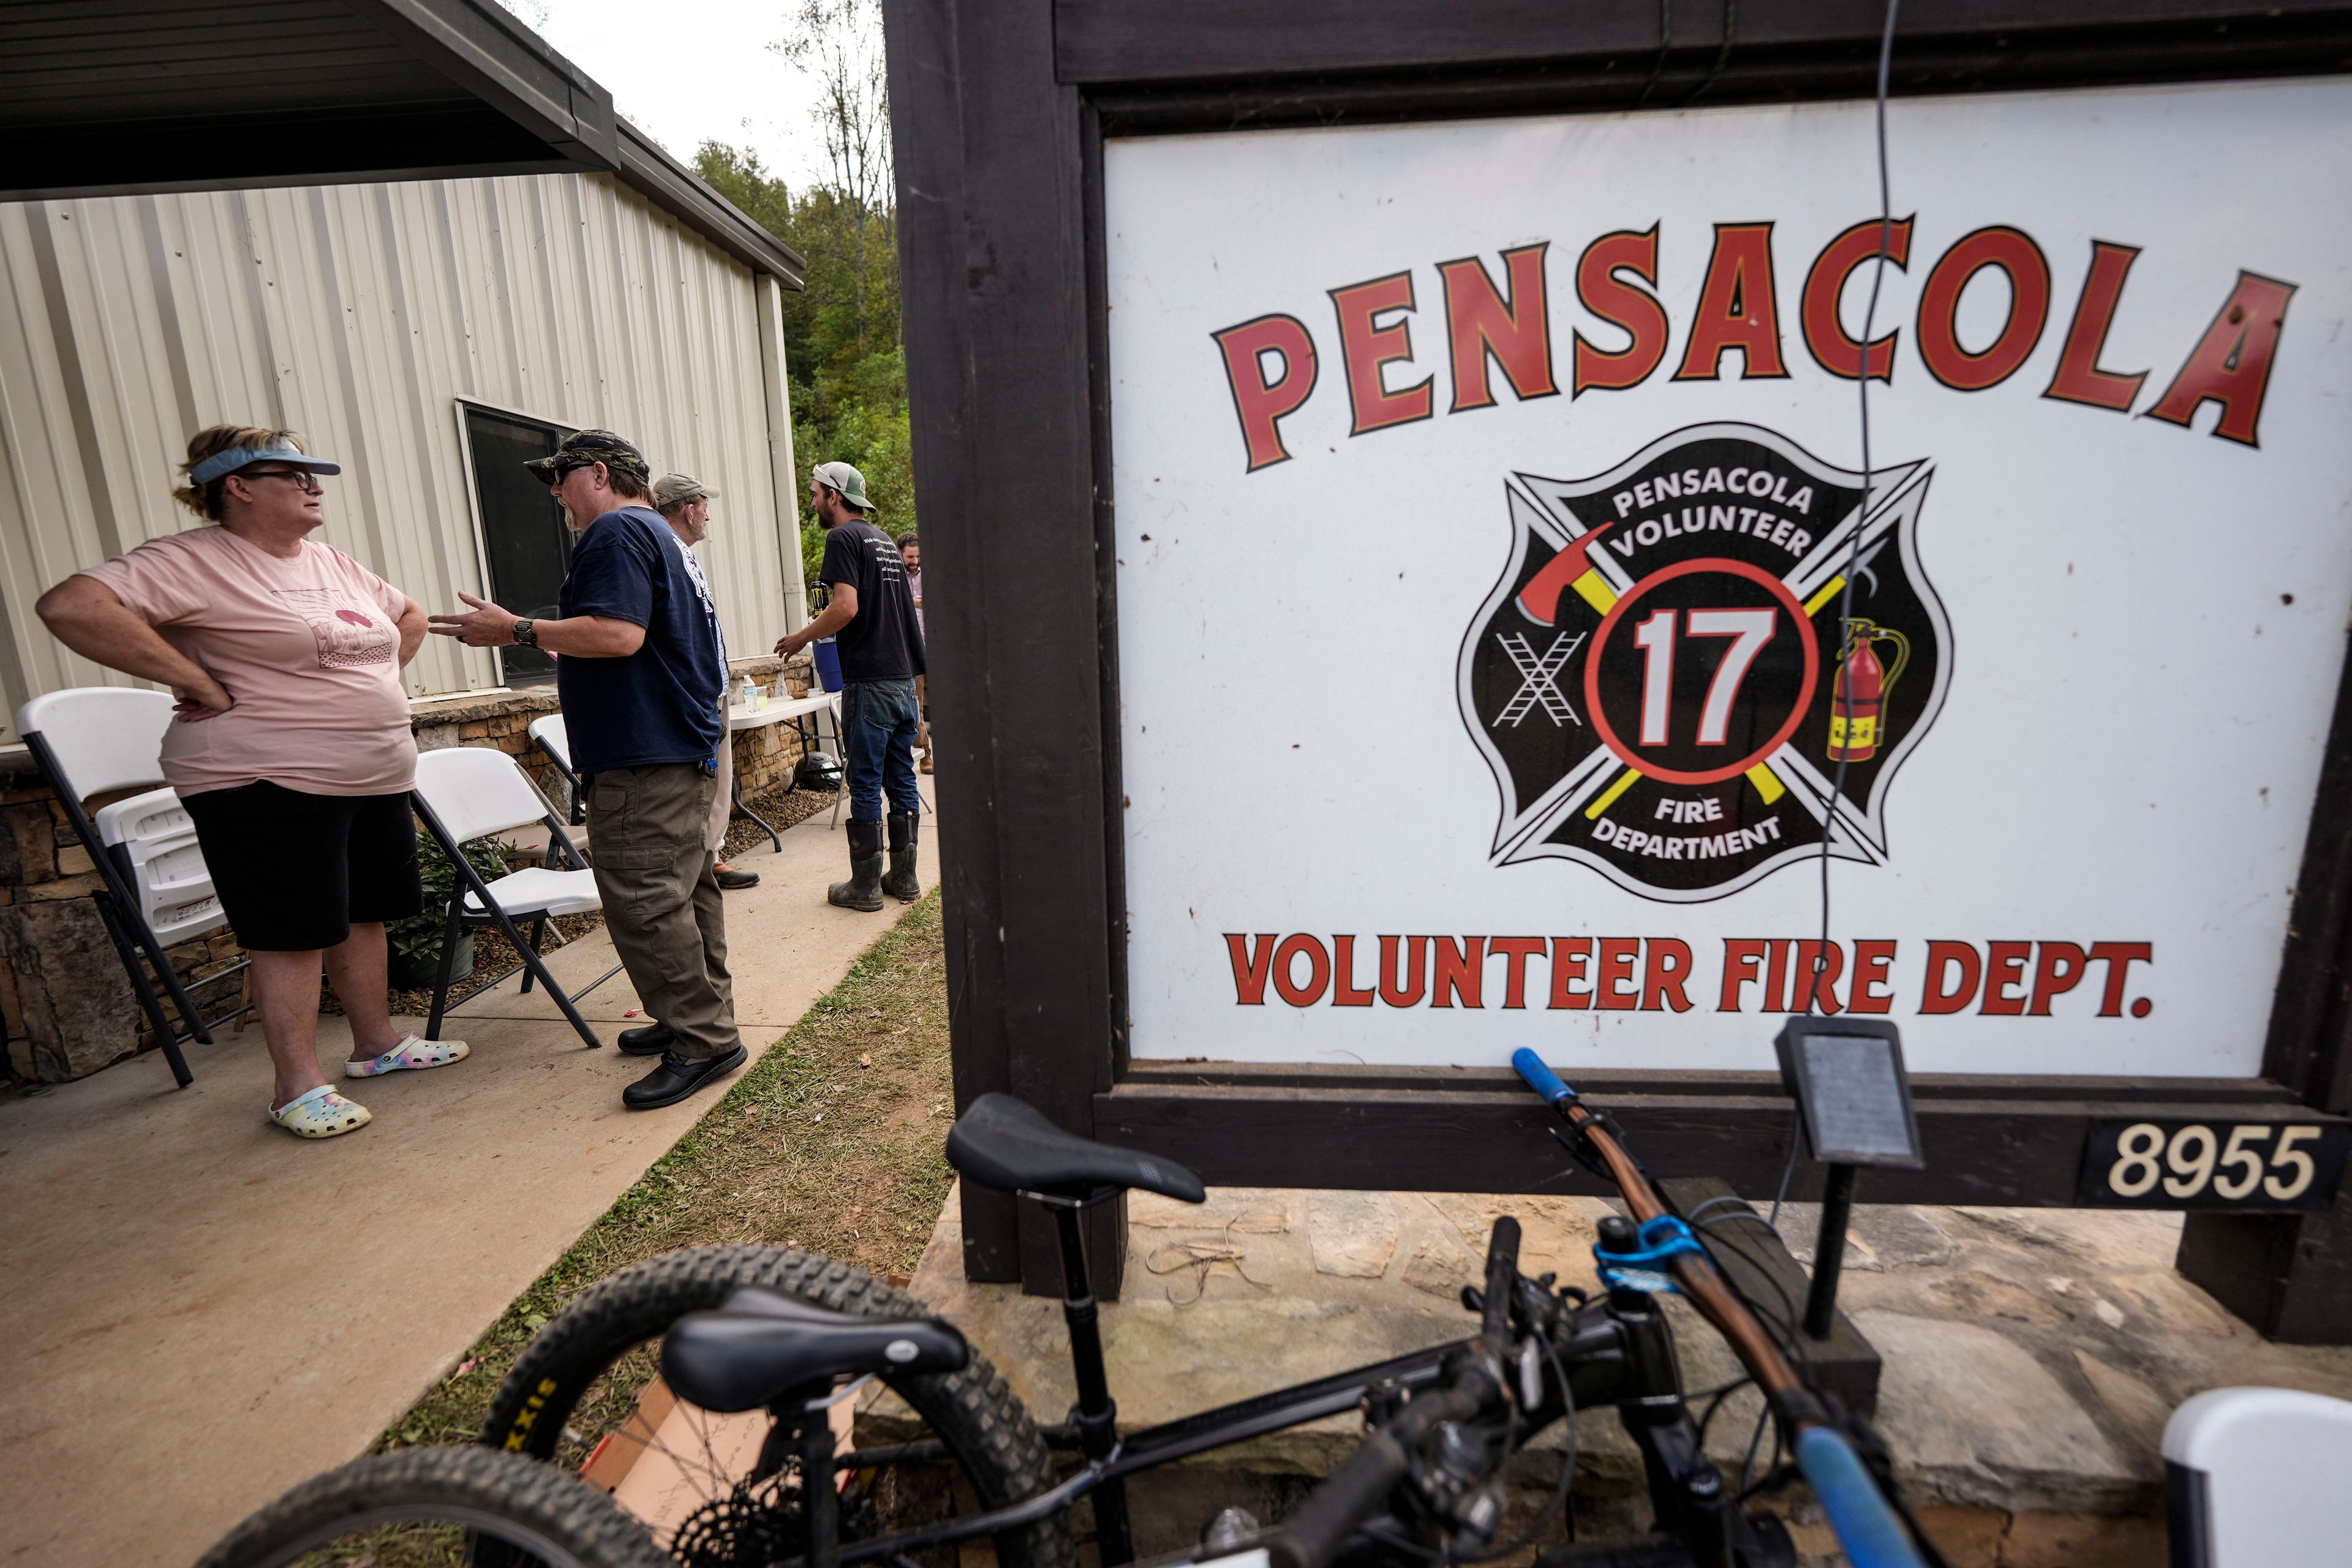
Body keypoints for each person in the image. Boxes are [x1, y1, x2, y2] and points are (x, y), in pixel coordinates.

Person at [33, 425, 455, 1140]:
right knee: (288, 932)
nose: (315, 486)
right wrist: (194, 679)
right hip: (265, 778)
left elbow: (407, 614)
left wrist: (375, 683)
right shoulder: (193, 561)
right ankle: (296, 1086)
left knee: (364, 912)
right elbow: (71, 606)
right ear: (238, 484)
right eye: (295, 474)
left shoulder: (331, 562)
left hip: (370, 774)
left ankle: (377, 1045)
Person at [429, 430, 744, 1110]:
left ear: (600, 474)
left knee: (646, 902)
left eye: (561, 475)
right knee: (687, 893)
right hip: (681, 748)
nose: (554, 492)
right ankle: (695, 1018)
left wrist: (515, 630)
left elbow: (617, 634)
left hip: (643, 757)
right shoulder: (663, 538)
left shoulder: (613, 536)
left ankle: (705, 1040)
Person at [775, 462, 924, 911]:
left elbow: (845, 607)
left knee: (863, 781)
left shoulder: (842, 538)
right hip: (902, 681)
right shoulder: (883, 540)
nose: (814, 501)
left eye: (818, 493)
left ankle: (864, 888)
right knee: (900, 777)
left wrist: (801, 637)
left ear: (835, 497)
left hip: (871, 681)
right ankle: (905, 879)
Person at [653, 472, 758, 892]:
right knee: (704, 785)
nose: (708, 516)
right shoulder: (665, 551)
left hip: (710, 691)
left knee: (720, 783)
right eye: (704, 506)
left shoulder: (683, 553)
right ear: (687, 509)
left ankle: (711, 855)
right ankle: (703, 861)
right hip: (692, 698)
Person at [897, 530, 932, 776]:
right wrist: (913, 603)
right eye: (910, 556)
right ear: (901, 554)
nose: (915, 561)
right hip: (911, 649)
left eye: (918, 556)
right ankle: (926, 756)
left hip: (937, 648)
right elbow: (892, 606)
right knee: (916, 704)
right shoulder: (894, 576)